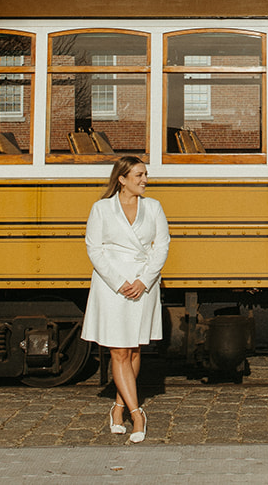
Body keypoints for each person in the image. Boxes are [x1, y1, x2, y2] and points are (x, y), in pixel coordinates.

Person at [82, 155, 170, 444]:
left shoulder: (153, 207)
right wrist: (120, 283)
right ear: (121, 179)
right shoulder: (102, 209)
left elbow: (162, 246)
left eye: (145, 175)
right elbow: (94, 249)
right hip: (112, 286)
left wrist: (143, 281)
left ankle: (117, 407)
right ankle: (137, 412)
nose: (145, 180)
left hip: (143, 285)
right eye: (139, 175)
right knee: (118, 351)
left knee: (133, 350)